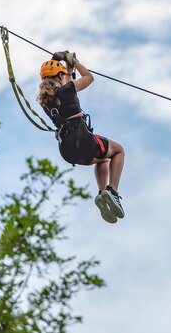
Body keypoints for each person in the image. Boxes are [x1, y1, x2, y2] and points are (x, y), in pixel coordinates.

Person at [37, 51, 125, 224]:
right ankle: (113, 191)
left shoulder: (45, 102)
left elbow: (66, 90)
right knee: (119, 151)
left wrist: (67, 70)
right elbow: (88, 77)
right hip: (82, 140)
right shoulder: (67, 90)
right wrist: (75, 62)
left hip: (67, 150)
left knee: (102, 159)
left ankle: (102, 195)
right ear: (58, 76)